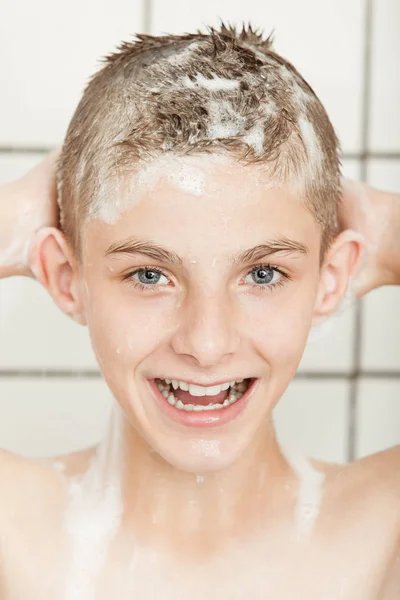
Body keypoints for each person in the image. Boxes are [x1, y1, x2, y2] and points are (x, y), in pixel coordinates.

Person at [0, 24, 399, 599]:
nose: (207, 343)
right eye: (149, 275)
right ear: (69, 279)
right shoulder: (15, 541)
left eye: (263, 274)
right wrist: (17, 215)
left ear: (329, 279)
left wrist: (384, 230)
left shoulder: (383, 533)